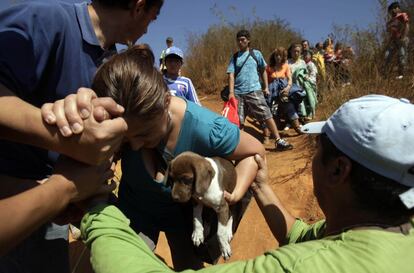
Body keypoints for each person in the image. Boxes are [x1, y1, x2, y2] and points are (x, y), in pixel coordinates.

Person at [79, 94, 414, 273]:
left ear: (339, 170)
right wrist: (262, 187)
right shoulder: (393, 228)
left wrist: (97, 207)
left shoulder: (302, 266)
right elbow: (301, 234)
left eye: (317, 151)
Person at [42, 45, 265, 270]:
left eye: (144, 134)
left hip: (183, 219)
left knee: (188, 266)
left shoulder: (205, 128)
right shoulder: (117, 120)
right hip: (135, 212)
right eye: (126, 140)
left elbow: (255, 151)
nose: (136, 145)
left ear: (166, 102)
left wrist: (233, 194)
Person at [0, 0, 163, 272]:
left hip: (53, 204)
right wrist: (62, 139)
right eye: (152, 19)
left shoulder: (112, 61)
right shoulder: (47, 20)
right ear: (138, 7)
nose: (147, 29)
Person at [227, 29, 292, 151]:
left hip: (254, 90)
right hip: (238, 93)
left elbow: (263, 70)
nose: (240, 42)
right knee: (239, 121)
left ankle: (278, 140)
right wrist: (231, 92)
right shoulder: (235, 57)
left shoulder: (256, 54)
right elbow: (231, 75)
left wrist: (266, 87)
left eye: (243, 40)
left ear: (248, 40)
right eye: (238, 40)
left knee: (266, 115)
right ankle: (239, 147)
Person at [265, 47, 302, 135]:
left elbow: (289, 79)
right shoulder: (269, 67)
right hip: (271, 90)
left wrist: (288, 87)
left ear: (283, 57)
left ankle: (297, 127)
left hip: (283, 89)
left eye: (280, 55)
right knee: (268, 109)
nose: (278, 57)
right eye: (276, 55)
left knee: (289, 106)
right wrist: (266, 89)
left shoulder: (286, 66)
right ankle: (267, 133)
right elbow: (265, 80)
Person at [384, 1, 409, 79]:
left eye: (391, 10)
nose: (390, 12)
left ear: (396, 9)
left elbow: (407, 25)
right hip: (393, 41)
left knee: (402, 56)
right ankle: (385, 74)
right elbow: (390, 33)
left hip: (401, 39)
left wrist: (404, 37)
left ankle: (401, 75)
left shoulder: (402, 15)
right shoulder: (390, 22)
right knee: (387, 56)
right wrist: (388, 43)